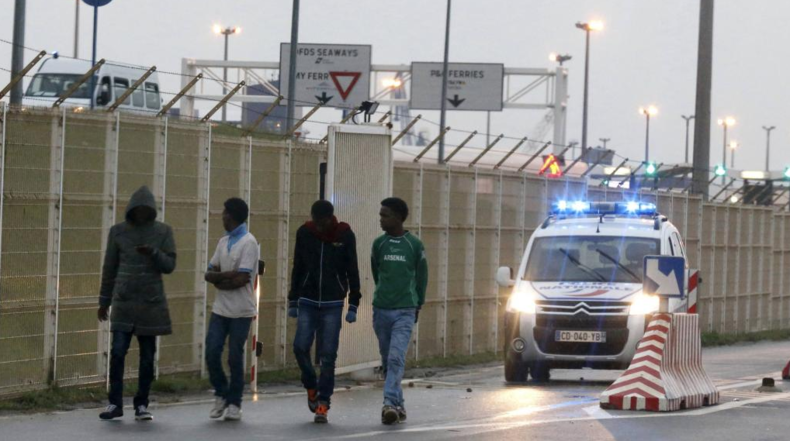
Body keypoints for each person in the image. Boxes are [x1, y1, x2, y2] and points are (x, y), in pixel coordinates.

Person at [97, 186, 177, 421]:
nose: (141, 213)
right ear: (132, 210)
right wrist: (104, 301)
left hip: (150, 305)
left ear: (150, 211)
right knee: (118, 352)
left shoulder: (163, 232)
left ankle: (142, 403)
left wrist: (153, 252)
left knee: (147, 357)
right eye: (138, 209)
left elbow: (170, 265)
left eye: (145, 209)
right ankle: (115, 403)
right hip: (123, 303)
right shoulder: (118, 233)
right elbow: (109, 269)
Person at [289, 200, 361, 424]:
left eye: (322, 223)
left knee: (328, 355)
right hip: (308, 299)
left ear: (331, 219)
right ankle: (311, 384)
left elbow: (352, 268)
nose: (318, 227)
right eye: (315, 222)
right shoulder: (305, 233)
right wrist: (293, 298)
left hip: (333, 302)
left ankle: (323, 403)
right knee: (300, 346)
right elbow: (298, 266)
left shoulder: (345, 235)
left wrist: (353, 303)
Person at [371, 197, 428, 425]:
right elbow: (376, 272)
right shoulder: (379, 244)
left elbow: (422, 277)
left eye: (385, 215)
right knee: (388, 360)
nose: (381, 219)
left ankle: (389, 404)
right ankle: (399, 405)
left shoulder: (414, 245)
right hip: (382, 309)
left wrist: (418, 303)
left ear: (398, 217)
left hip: (405, 309)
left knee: (396, 357)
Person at [204, 198, 260, 421]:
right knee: (211, 351)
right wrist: (225, 276)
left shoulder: (249, 243)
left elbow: (242, 279)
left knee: (235, 357)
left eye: (225, 213)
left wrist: (221, 278)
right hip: (220, 309)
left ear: (233, 216)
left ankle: (235, 401)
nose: (222, 216)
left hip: (241, 311)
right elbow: (209, 274)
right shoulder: (222, 242)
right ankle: (221, 393)